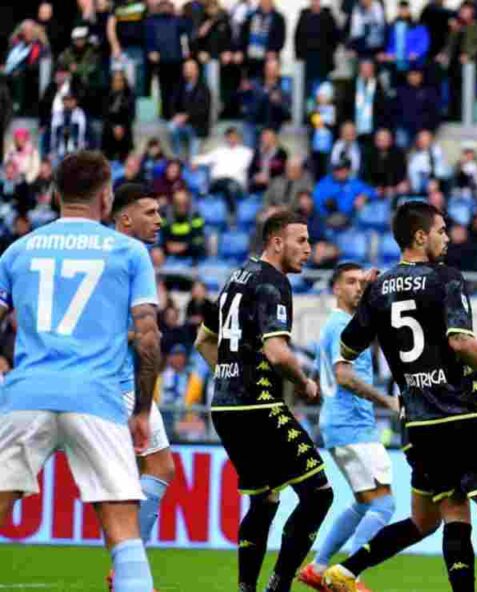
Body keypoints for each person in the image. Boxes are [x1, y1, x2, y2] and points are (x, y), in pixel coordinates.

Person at [321, 201, 477, 592]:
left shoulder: (379, 289)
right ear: (420, 236)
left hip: (420, 421)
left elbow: (346, 349)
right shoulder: (445, 277)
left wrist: (369, 300)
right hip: (465, 412)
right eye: (442, 231)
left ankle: (350, 569)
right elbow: (460, 341)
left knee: (453, 513)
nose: (446, 238)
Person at [0, 151, 160, 591]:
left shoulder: (18, 251)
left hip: (26, 396)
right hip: (96, 398)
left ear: (54, 194)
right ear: (107, 197)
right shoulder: (128, 252)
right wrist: (142, 410)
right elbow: (148, 337)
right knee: (123, 527)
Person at [195, 211, 333, 592]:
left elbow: (202, 341)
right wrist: (305, 383)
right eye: (301, 241)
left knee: (265, 500)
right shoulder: (273, 283)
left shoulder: (235, 279)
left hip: (225, 407)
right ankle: (280, 584)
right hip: (257, 406)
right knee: (319, 493)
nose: (309, 249)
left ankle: (246, 588)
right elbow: (277, 352)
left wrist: (228, 375)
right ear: (276, 242)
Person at [298, 262, 400, 589]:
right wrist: (387, 401)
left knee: (363, 502)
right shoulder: (342, 325)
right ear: (336, 289)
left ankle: (318, 566)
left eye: (360, 282)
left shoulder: (336, 325)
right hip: (352, 426)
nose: (357, 287)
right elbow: (342, 376)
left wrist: (312, 385)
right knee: (384, 504)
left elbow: (315, 376)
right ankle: (350, 577)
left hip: (339, 426)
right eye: (350, 282)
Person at [110, 183, 177, 558]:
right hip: (117, 382)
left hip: (56, 378)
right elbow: (148, 339)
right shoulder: (133, 252)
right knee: (159, 465)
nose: (159, 221)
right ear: (124, 217)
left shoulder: (92, 250)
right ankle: (129, 569)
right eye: (149, 213)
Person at [145, 0, 190, 120]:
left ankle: (177, 112)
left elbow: (186, 33)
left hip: (176, 60)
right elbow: (148, 38)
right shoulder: (151, 21)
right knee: (163, 88)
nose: (166, 8)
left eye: (168, 6)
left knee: (178, 87)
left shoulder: (178, 20)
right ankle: (165, 114)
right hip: (161, 61)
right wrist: (151, 51)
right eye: (163, 6)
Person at [294, 0, 339, 104]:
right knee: (308, 93)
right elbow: (297, 38)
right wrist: (299, 58)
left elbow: (335, 37)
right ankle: (308, 115)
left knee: (325, 91)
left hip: (324, 63)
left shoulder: (328, 16)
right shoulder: (304, 16)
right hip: (308, 63)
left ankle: (325, 117)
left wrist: (329, 52)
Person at [167, 59, 212, 161]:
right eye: (185, 68)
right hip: (182, 124)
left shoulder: (203, 88)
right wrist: (176, 116)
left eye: (190, 68)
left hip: (197, 127)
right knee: (171, 127)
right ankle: (178, 156)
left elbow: (203, 110)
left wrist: (187, 116)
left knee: (193, 159)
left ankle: (192, 160)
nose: (187, 71)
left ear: (196, 71)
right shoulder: (179, 86)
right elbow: (171, 104)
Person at [240, 0, 286, 80]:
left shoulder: (278, 18)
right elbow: (243, 36)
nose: (266, 3)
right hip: (251, 58)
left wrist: (273, 51)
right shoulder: (250, 16)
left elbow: (281, 38)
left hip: (269, 58)